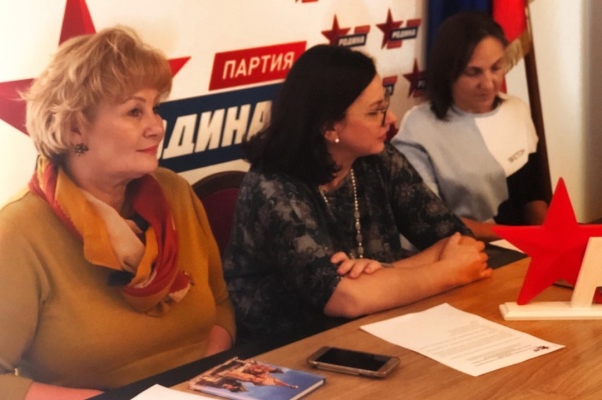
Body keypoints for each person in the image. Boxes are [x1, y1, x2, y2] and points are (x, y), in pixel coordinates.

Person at [0, 27, 235, 400]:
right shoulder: (15, 231)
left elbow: (220, 305)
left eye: (156, 109)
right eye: (135, 111)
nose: (157, 127)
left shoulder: (176, 193)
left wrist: (202, 382)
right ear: (76, 128)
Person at [222, 44, 491, 344]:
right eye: (375, 112)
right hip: (290, 349)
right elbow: (345, 298)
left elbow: (460, 241)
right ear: (329, 127)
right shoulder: (272, 187)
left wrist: (386, 272)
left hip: (380, 325)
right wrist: (448, 273)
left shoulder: (378, 158)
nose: (391, 119)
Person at [392, 11, 549, 242]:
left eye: (496, 68)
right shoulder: (418, 128)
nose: (488, 84)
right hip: (465, 250)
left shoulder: (516, 109)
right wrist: (519, 237)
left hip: (524, 244)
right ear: (448, 72)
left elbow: (532, 194)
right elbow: (430, 218)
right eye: (473, 72)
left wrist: (549, 238)